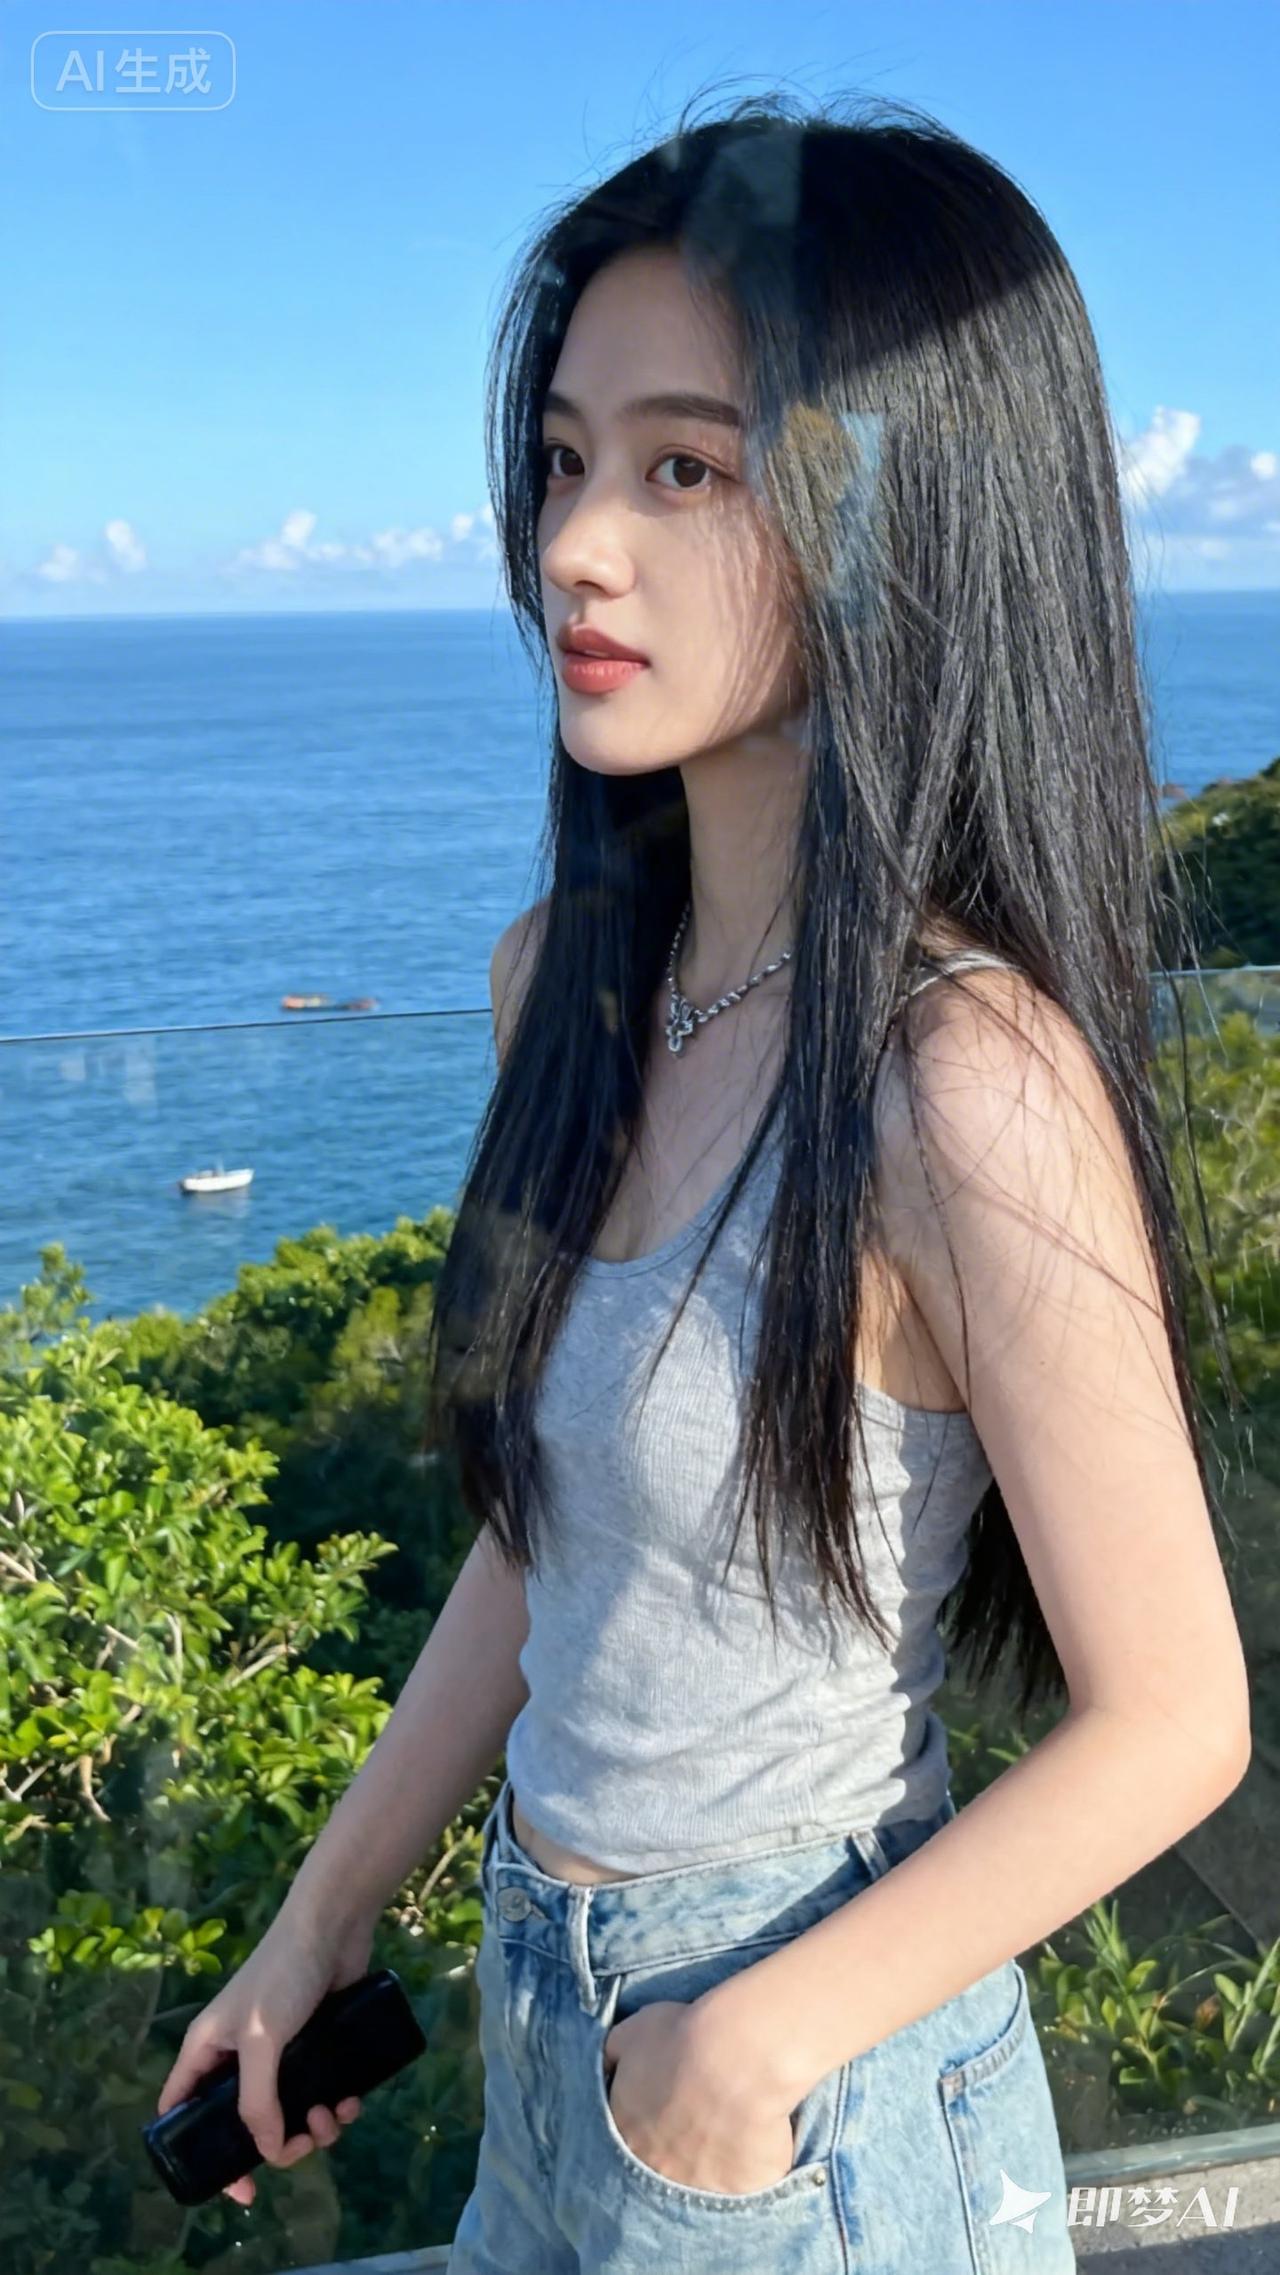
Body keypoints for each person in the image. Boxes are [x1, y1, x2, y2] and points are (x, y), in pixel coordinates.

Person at [155, 87, 1252, 2272]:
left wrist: (744, 2051)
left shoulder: (958, 1080)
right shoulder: (560, 986)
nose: (575, 545)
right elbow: (547, 1545)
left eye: (684, 469)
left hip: (801, 2084)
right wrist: (318, 1917)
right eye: (566, 459)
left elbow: (1175, 1720)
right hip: (545, 2028)